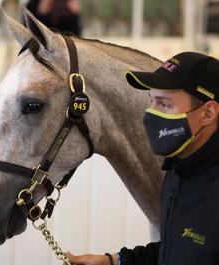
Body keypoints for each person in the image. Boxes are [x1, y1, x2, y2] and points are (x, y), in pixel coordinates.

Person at [66, 52, 219, 265]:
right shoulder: (177, 172)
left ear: (208, 113)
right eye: (152, 101)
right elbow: (175, 250)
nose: (150, 114)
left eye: (164, 104)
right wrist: (111, 261)